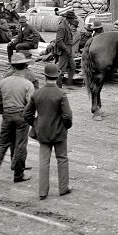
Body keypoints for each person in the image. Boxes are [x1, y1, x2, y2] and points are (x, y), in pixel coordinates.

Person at [23, 63, 73, 200]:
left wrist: (35, 124)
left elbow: (27, 114)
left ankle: (42, 191)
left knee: (44, 161)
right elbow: (67, 115)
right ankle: (64, 188)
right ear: (57, 77)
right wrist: (65, 126)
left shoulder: (37, 93)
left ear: (45, 77)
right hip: (59, 132)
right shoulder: (61, 94)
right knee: (62, 159)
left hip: (42, 132)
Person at [0, 56, 36, 185]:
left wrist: (2, 111)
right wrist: (28, 118)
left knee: (2, 145)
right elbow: (31, 103)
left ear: (12, 66)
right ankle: (18, 174)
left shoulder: (4, 82)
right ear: (25, 67)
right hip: (21, 116)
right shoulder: (28, 84)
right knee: (20, 145)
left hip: (7, 115)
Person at [54, 10, 76, 85]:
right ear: (69, 19)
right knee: (61, 69)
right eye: (73, 19)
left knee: (73, 66)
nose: (74, 20)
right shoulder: (62, 27)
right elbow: (59, 41)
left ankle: (69, 83)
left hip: (68, 51)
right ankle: (58, 85)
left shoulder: (67, 25)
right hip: (64, 51)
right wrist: (66, 49)